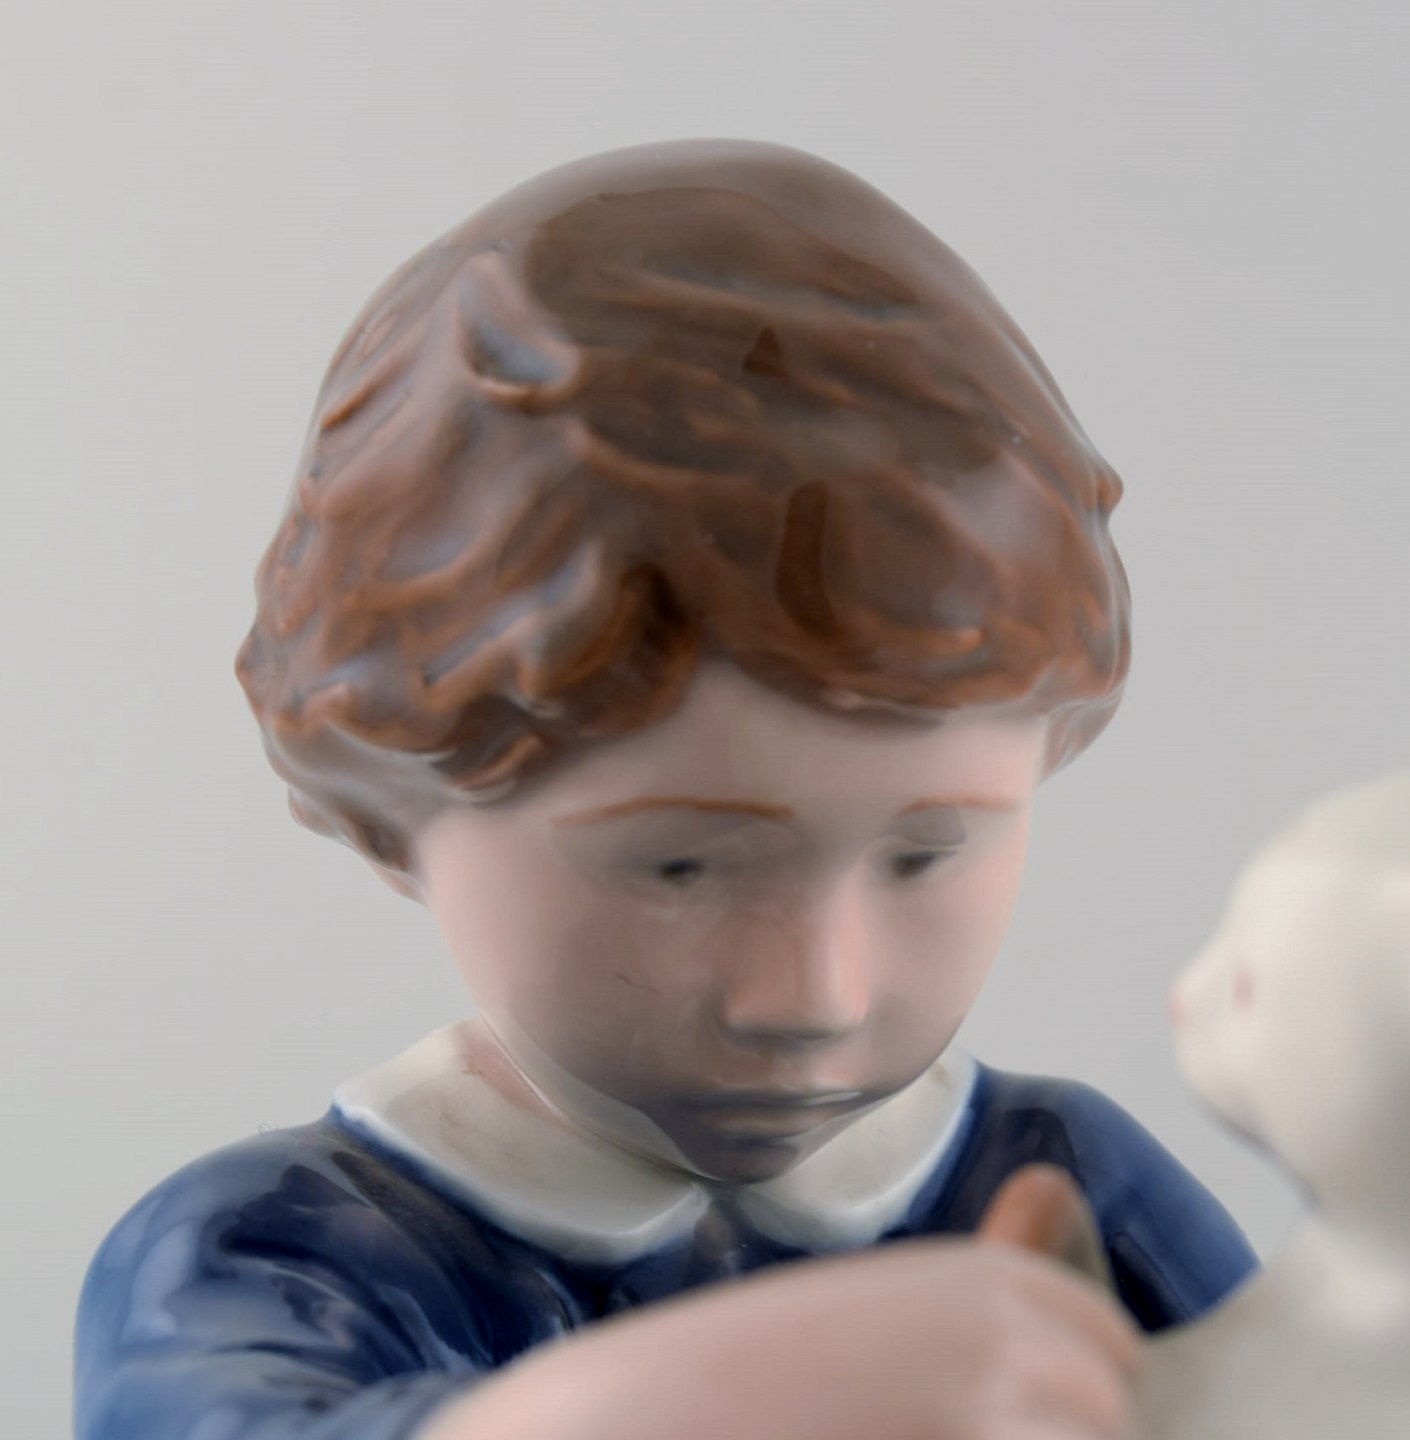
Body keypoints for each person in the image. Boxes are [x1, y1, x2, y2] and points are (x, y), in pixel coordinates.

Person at [74, 140, 1256, 1440]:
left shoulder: (1061, 1181)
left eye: (925, 853)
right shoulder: (271, 1255)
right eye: (680, 867)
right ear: (386, 813)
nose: (814, 998)